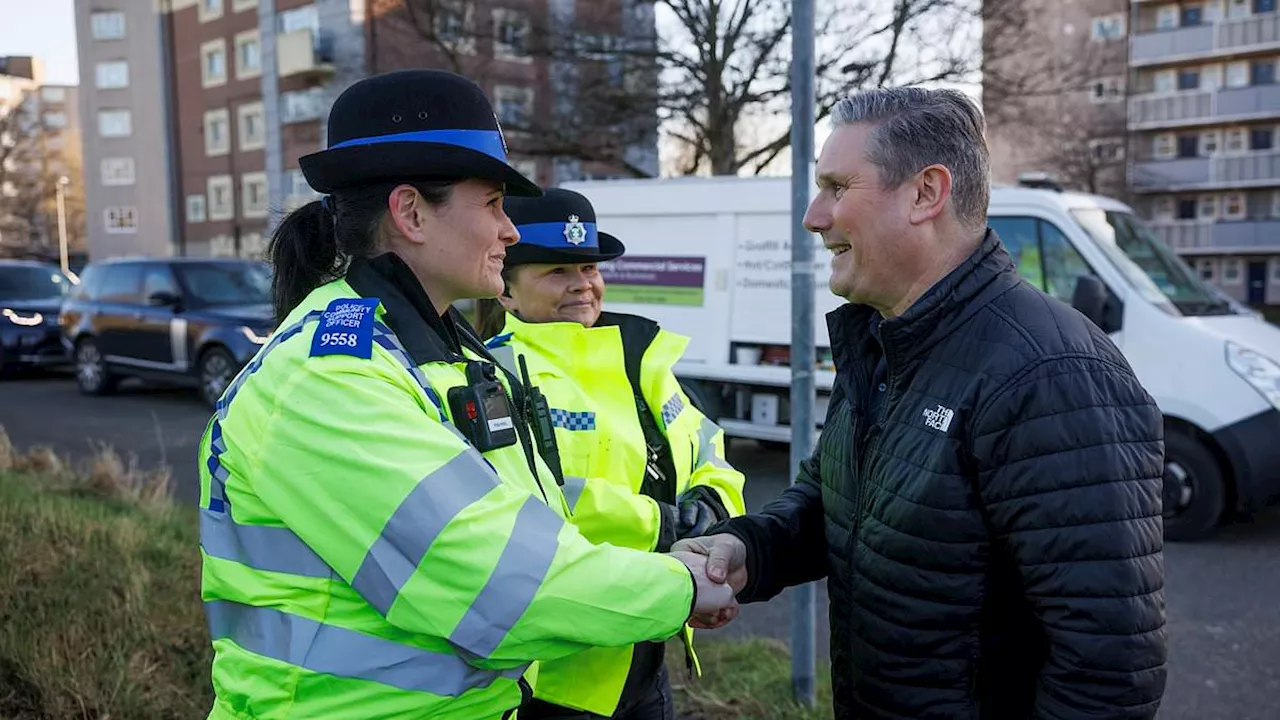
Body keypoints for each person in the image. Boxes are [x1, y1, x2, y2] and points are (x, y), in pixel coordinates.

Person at [196, 69, 735, 720]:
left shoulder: (443, 352)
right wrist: (685, 584)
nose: (510, 232)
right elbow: (507, 588)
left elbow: (537, 539)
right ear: (412, 212)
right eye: (493, 204)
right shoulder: (328, 380)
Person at [677, 87, 1168, 719]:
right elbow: (839, 502)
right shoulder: (884, 340)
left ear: (925, 193)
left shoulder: (1050, 374)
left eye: (835, 186)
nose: (813, 216)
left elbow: (1109, 672)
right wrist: (750, 549)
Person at [476, 188, 748, 720]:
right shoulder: (492, 376)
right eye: (556, 271)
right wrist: (666, 526)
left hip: (646, 648)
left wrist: (713, 513)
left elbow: (708, 448)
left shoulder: (641, 357)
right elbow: (532, 504)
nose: (582, 283)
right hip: (552, 675)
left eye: (588, 266)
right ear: (505, 292)